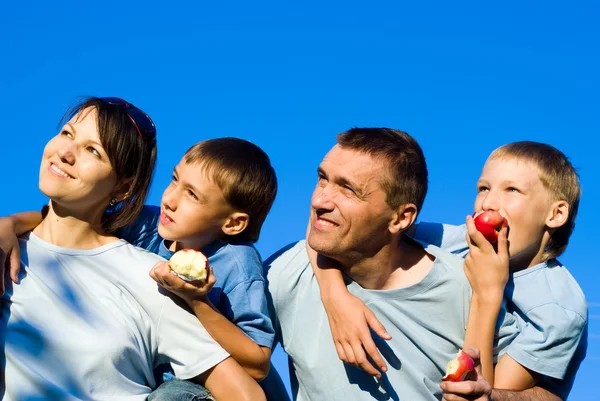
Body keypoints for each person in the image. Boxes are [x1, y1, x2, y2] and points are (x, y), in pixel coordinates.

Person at [0, 97, 265, 401]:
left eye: (92, 150)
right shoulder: (7, 249)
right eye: (67, 133)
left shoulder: (153, 277)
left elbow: (248, 393)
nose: (65, 153)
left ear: (123, 188)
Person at [313, 141, 588, 400]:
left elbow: (484, 391)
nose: (489, 203)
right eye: (483, 188)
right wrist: (335, 296)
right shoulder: (454, 241)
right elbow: (337, 229)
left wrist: (488, 292)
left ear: (555, 215)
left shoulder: (557, 310)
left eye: (511, 190)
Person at [263, 127, 513, 400]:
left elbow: (518, 391)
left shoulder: (468, 288)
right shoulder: (283, 272)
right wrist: (333, 293)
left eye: (348, 189)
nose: (319, 200)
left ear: (401, 218)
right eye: (322, 179)